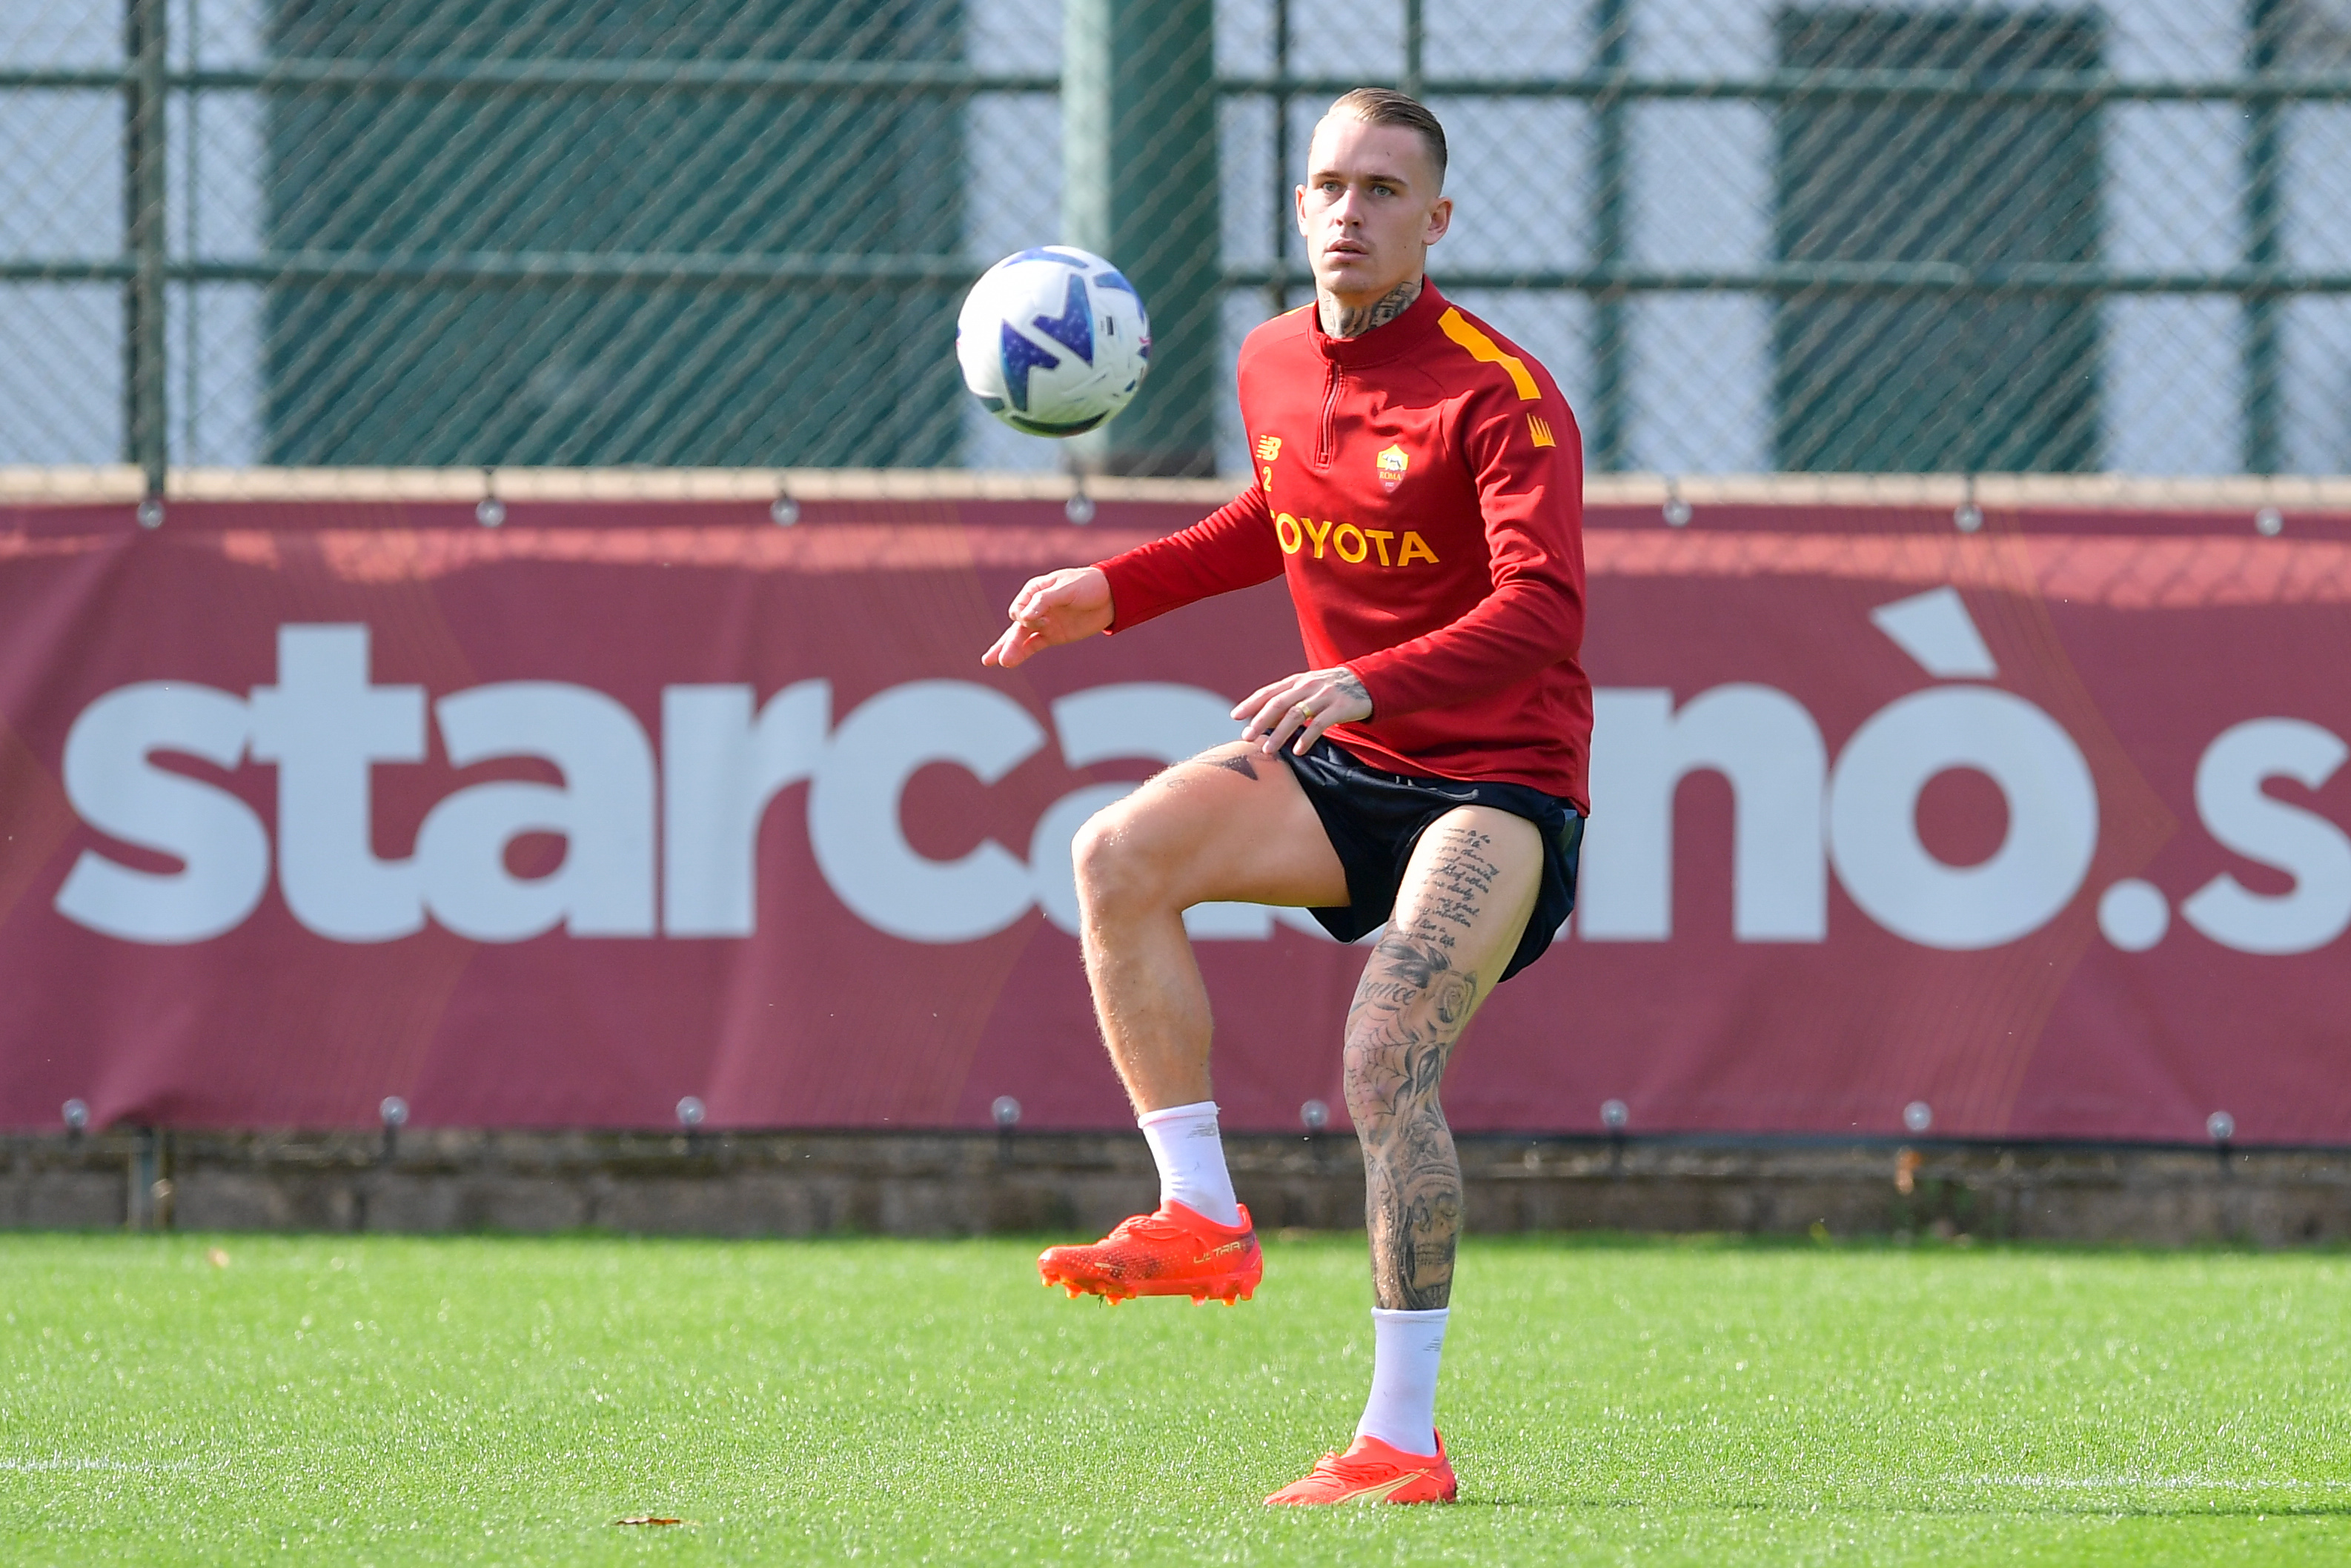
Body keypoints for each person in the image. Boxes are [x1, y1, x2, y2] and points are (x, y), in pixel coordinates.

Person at [980, 87, 1591, 1506]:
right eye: (1330, 185)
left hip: (1495, 787)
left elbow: (1544, 610)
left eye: (1386, 191)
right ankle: (1200, 1211)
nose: (1351, 212)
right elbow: (1277, 512)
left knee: (1384, 1059)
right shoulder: (1271, 362)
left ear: (1435, 223)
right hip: (1349, 772)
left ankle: (1402, 1438)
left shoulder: (1496, 390)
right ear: (1299, 205)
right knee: (1116, 854)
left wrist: (1372, 678)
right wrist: (1113, 592)